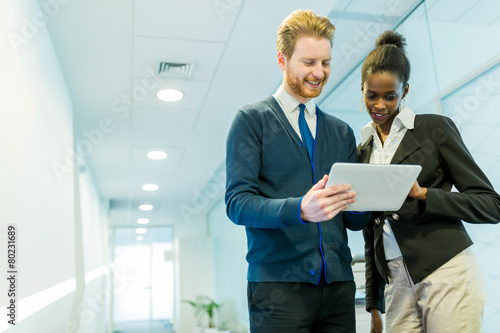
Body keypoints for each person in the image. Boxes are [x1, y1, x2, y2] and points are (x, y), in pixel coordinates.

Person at [225, 9, 370, 332]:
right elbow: (237, 204)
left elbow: (353, 220)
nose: (319, 72)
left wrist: (367, 199)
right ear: (283, 60)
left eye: (326, 62)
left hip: (338, 285)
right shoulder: (252, 121)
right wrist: (299, 209)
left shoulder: (341, 132)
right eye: (309, 63)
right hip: (278, 289)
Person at [358, 30, 500, 333]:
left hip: (446, 270)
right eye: (372, 95)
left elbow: (491, 204)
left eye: (390, 96)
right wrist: (373, 306)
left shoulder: (433, 129)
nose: (380, 105)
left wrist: (424, 195)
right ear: (362, 89)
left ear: (405, 91)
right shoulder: (362, 150)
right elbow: (372, 232)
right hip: (395, 283)